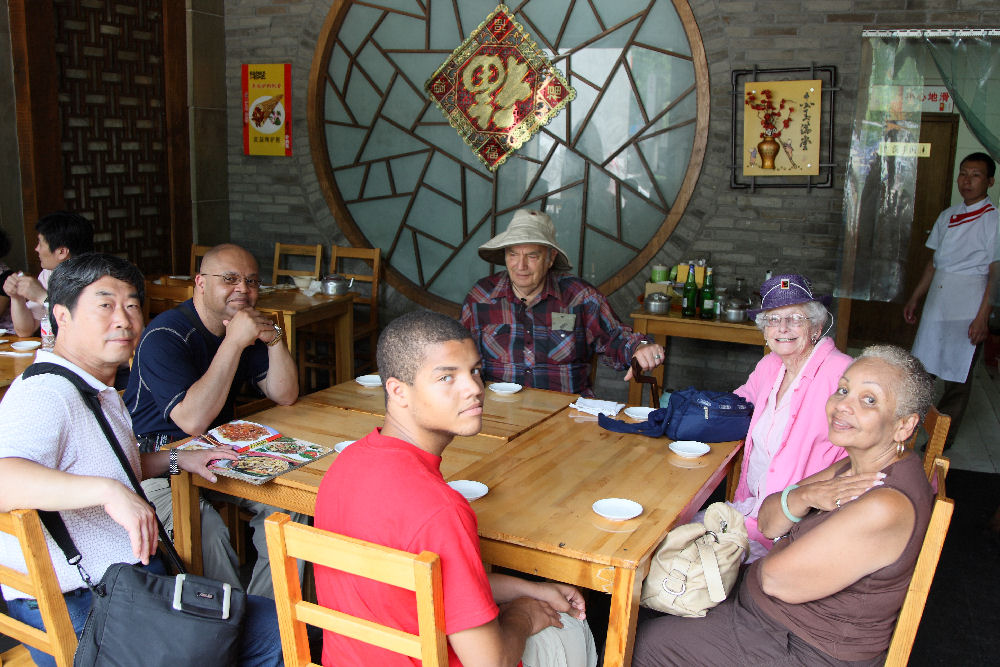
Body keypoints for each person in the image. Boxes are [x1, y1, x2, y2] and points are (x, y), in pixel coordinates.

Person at [0, 253, 282, 667]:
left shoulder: (93, 388)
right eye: (104, 305)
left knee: (271, 623)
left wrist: (177, 459)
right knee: (281, 633)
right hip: (94, 609)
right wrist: (110, 492)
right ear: (61, 314)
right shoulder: (45, 394)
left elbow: (113, 464)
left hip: (126, 590)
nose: (124, 319)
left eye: (132, 305)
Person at [315, 310, 598, 666]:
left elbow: (435, 583)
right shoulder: (440, 509)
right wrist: (523, 614)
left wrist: (531, 588)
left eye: (475, 371)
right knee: (572, 629)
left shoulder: (346, 464)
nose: (475, 388)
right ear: (398, 391)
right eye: (447, 377)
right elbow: (488, 663)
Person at [633, 345, 936, 666]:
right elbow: (769, 522)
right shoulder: (853, 465)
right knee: (656, 600)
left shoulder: (884, 505)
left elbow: (776, 579)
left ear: (904, 425)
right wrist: (805, 497)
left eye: (869, 400)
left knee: (649, 644)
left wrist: (786, 533)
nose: (843, 406)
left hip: (805, 648)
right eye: (843, 389)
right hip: (775, 620)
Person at [123, 243, 299, 597]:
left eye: (251, 282)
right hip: (155, 460)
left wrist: (274, 337)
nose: (243, 290)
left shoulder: (241, 328)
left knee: (291, 506)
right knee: (206, 528)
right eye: (230, 279)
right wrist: (233, 343)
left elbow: (285, 394)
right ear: (200, 283)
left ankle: (269, 618)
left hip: (219, 448)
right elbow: (191, 421)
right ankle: (228, 625)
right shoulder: (166, 335)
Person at [460, 209, 665, 396]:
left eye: (532, 256)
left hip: (565, 416)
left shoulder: (580, 297)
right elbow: (456, 353)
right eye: (513, 254)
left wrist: (641, 347)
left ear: (551, 258)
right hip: (497, 414)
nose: (520, 265)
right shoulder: (481, 298)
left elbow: (617, 338)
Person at [732, 273, 852, 559]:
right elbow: (738, 403)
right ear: (764, 330)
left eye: (795, 318)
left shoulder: (842, 372)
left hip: (798, 529)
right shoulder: (771, 366)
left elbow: (868, 446)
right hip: (752, 510)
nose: (783, 328)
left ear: (816, 326)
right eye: (773, 319)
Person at [904, 152, 999, 449]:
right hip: (937, 303)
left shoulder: (994, 220)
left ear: (990, 181)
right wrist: (915, 298)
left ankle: (939, 440)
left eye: (975, 175)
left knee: (958, 376)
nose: (967, 180)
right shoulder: (948, 215)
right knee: (923, 369)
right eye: (963, 173)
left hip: (969, 306)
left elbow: (996, 273)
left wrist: (983, 316)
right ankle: (907, 430)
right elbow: (934, 263)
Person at [2, 211, 94, 337]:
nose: (36, 249)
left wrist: (41, 296)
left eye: (40, 243)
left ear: (62, 252)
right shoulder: (49, 274)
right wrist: (16, 297)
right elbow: (25, 331)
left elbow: (78, 326)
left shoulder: (94, 278)